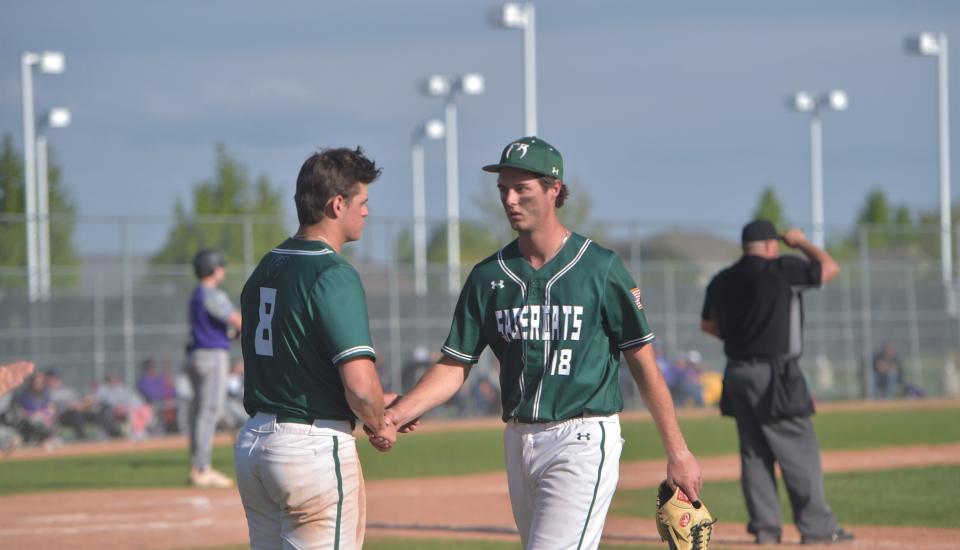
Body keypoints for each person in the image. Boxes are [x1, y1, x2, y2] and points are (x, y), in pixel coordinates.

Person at [386, 136, 702, 550]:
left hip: (582, 438)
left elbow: (643, 362)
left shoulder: (599, 268)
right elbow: (454, 364)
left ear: (554, 190)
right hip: (518, 441)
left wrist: (677, 452)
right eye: (504, 190)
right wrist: (396, 414)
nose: (510, 199)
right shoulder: (488, 277)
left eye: (522, 189)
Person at [234, 147, 396, 549]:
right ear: (336, 204)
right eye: (362, 202)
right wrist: (378, 423)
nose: (366, 212)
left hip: (256, 442)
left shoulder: (266, 266)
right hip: (310, 449)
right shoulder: (332, 271)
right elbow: (359, 386)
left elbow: (299, 364)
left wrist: (378, 404)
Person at [700, 220, 853, 545]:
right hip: (776, 374)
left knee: (755, 453)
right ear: (771, 246)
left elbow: (708, 325)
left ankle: (766, 531)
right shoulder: (783, 268)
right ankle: (817, 529)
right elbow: (829, 267)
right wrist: (800, 243)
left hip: (737, 373)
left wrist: (740, 337)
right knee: (799, 451)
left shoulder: (723, 279)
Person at [186, 248, 242, 488]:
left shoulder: (196, 294)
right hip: (212, 356)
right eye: (219, 266)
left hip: (198, 354)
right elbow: (236, 320)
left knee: (200, 412)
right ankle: (201, 467)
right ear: (212, 268)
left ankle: (197, 465)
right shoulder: (212, 294)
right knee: (210, 412)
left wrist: (232, 333)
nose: (223, 270)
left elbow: (218, 327)